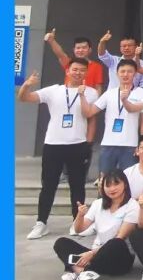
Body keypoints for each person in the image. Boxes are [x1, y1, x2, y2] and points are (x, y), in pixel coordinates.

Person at [19, 67, 97, 240]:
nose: (78, 73)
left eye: (82, 70)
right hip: (53, 144)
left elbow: (90, 116)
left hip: (77, 144)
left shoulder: (91, 92)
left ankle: (77, 222)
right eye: (75, 69)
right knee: (48, 185)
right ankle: (41, 223)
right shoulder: (53, 90)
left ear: (86, 73)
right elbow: (24, 98)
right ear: (68, 71)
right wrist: (27, 85)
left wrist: (88, 143)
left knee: (77, 186)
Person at [52, 171, 137, 280]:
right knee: (61, 243)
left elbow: (120, 237)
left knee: (116, 243)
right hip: (97, 254)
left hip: (119, 258)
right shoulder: (98, 204)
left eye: (116, 184)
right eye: (108, 185)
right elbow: (79, 229)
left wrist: (91, 254)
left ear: (125, 185)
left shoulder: (132, 205)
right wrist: (80, 215)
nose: (112, 188)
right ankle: (81, 271)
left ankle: (78, 270)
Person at [84, 59, 143, 175]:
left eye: (129, 71)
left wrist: (141, 143)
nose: (125, 74)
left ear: (135, 74)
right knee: (105, 178)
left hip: (130, 144)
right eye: (122, 71)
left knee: (129, 179)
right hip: (108, 143)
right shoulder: (109, 93)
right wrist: (81, 96)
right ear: (117, 73)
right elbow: (89, 112)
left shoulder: (142, 93)